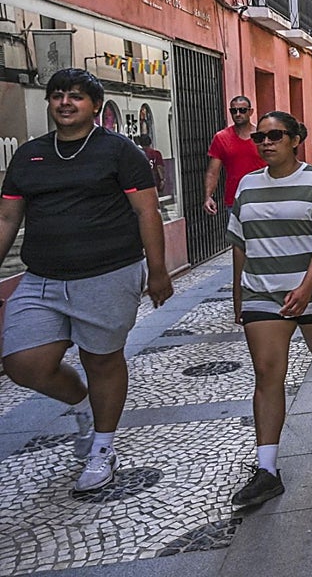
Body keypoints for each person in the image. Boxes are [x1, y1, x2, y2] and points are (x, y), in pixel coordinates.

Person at [0, 68, 173, 493]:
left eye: (75, 96)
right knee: (23, 363)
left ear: (95, 106)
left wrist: (158, 270)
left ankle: (102, 447)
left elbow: (146, 212)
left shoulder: (118, 151)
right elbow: (6, 217)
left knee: (102, 360)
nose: (64, 102)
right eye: (57, 95)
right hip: (42, 276)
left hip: (108, 272)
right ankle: (81, 405)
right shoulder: (30, 155)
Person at [227, 110, 312, 509]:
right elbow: (240, 244)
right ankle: (267, 470)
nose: (266, 143)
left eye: (275, 136)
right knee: (267, 373)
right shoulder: (247, 186)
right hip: (263, 293)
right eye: (260, 137)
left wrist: (305, 286)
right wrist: (238, 294)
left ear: (295, 139)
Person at [204, 96, 265, 215]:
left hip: (263, 199)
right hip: (235, 200)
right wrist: (208, 197)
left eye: (242, 110)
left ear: (250, 112)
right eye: (233, 111)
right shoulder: (221, 138)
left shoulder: (262, 136)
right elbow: (212, 172)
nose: (238, 114)